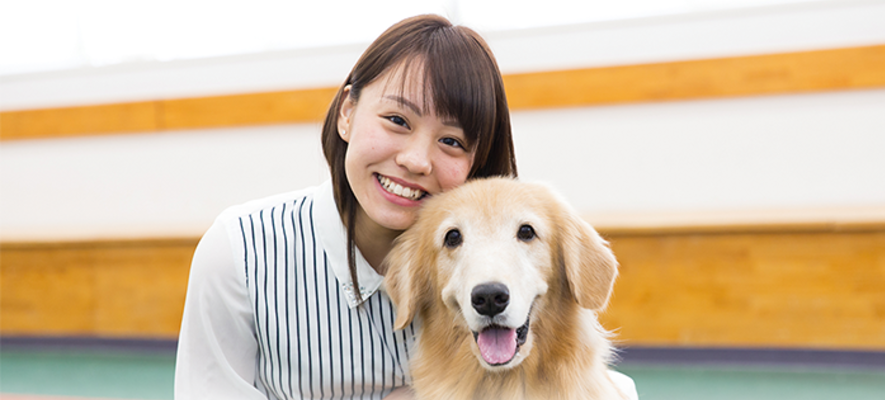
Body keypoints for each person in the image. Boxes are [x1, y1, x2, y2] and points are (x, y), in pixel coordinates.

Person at [174, 14, 636, 400]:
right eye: (397, 120)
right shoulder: (239, 251)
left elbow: (583, 373)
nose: (415, 160)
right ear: (347, 113)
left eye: (451, 141)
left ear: (478, 159)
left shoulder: (498, 261)